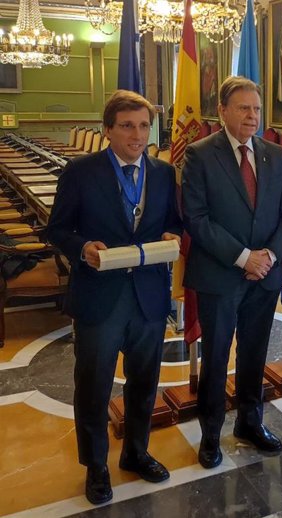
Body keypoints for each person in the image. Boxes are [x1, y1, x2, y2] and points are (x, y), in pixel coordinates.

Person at [47, 90, 182, 505]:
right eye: (127, 125)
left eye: (144, 126)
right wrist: (83, 248)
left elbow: (172, 223)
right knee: (94, 385)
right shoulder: (81, 171)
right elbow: (58, 230)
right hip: (100, 297)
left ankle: (136, 452)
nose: (137, 134)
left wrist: (170, 237)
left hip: (148, 298)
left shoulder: (162, 173)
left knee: (144, 383)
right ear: (108, 130)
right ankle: (96, 466)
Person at [182, 76, 282, 466]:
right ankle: (211, 434)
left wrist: (266, 255)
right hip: (220, 276)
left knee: (253, 354)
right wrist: (242, 257)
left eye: (257, 109)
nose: (252, 116)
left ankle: (251, 422)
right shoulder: (199, 154)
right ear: (223, 111)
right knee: (216, 359)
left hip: (264, 276)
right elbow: (196, 220)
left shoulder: (275, 154)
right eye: (244, 108)